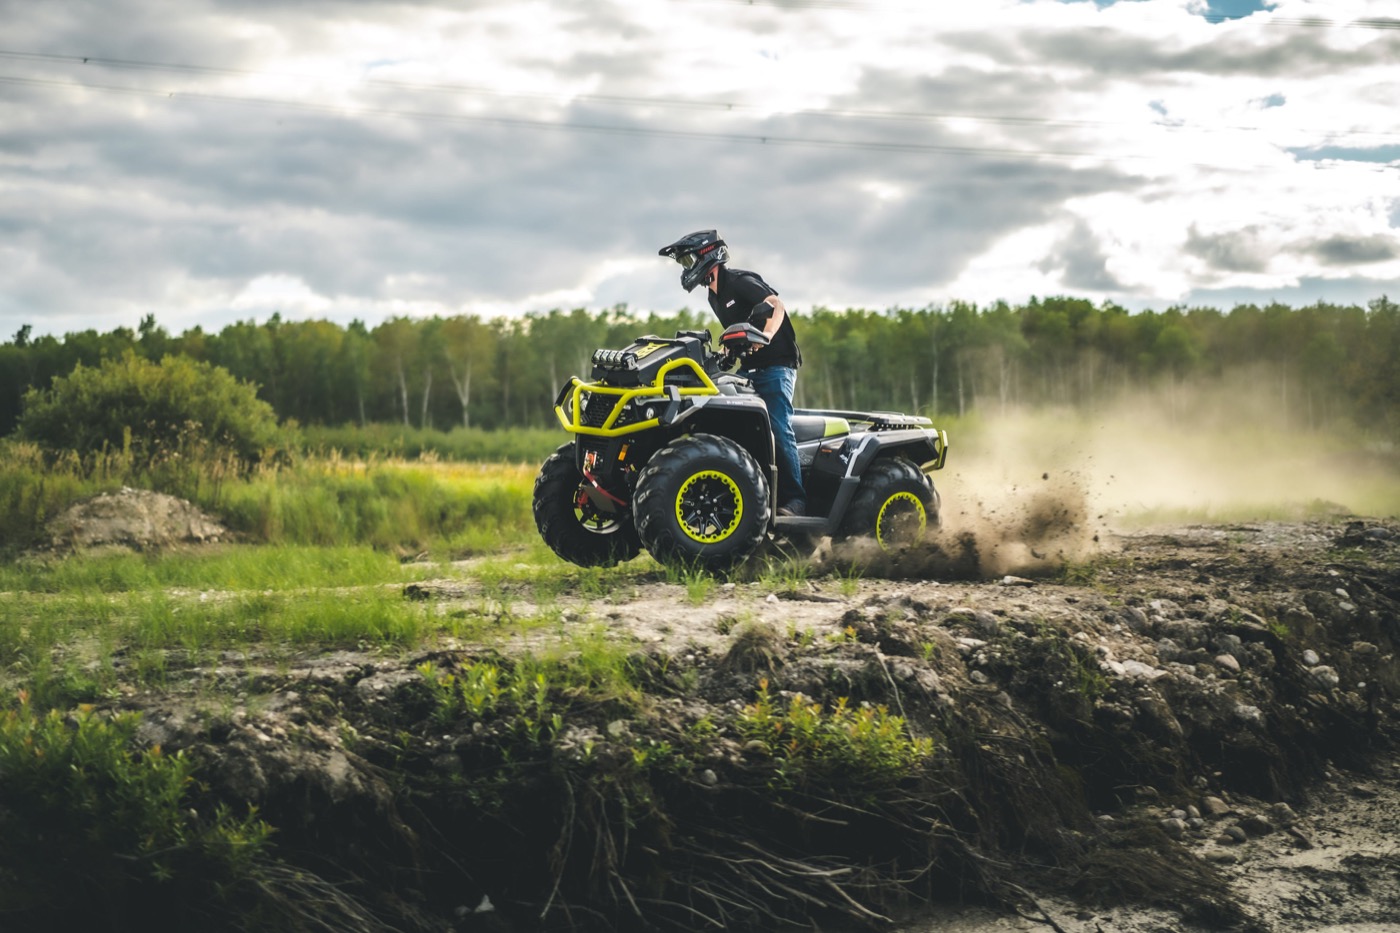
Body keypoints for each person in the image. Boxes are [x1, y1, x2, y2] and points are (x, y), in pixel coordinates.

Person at [658, 230, 807, 517]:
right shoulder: (715, 298)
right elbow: (737, 332)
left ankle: (796, 501)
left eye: (689, 260)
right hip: (749, 370)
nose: (687, 267)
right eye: (683, 263)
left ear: (708, 256)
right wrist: (728, 353)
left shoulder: (739, 281)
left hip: (777, 366)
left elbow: (776, 305)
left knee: (777, 426)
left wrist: (766, 336)